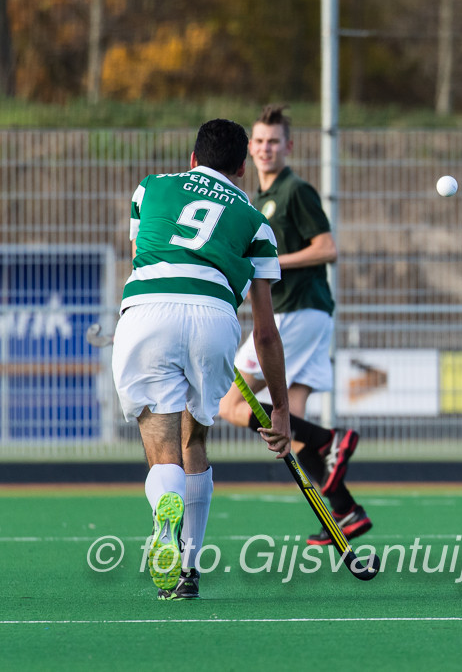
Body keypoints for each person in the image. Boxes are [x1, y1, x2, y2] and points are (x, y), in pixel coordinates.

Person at [111, 118, 293, 599]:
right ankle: (188, 570)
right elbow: (266, 333)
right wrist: (279, 408)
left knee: (162, 446)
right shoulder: (256, 223)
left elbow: (141, 256)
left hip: (148, 311)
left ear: (193, 158)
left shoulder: (150, 188)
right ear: (242, 169)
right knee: (193, 440)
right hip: (214, 319)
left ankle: (164, 514)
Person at [218, 104, 370, 545]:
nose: (266, 149)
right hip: (301, 313)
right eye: (259, 142)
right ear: (249, 149)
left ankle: (331, 439)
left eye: (274, 142)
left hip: (297, 311)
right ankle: (345, 510)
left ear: (289, 146)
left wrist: (272, 262)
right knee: (292, 424)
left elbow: (327, 249)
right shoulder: (254, 198)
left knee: (230, 405)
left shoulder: (295, 191)